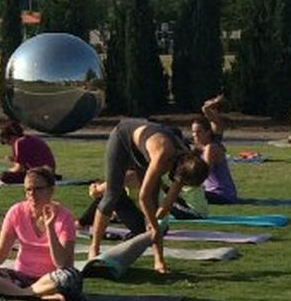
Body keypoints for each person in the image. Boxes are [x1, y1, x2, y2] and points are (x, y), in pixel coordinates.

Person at [86, 118, 208, 275]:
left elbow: (168, 201)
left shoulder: (187, 160)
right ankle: (94, 248)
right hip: (122, 138)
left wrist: (156, 221)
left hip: (143, 151)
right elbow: (143, 197)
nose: (179, 183)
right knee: (112, 195)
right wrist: (154, 226)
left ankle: (159, 261)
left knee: (154, 206)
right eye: (181, 180)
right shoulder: (163, 154)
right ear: (179, 169)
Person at [0, 168, 84, 301]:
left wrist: (50, 227)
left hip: (50, 279)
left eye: (38, 189)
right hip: (20, 277)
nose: (32, 194)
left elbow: (63, 264)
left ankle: (23, 292)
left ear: (51, 190)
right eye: (28, 189)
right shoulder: (16, 212)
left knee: (71, 277)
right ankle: (29, 294)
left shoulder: (64, 217)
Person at [191, 95, 239, 204]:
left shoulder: (211, 146)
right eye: (193, 132)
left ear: (207, 132)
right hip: (211, 192)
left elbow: (204, 173)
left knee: (179, 195)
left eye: (198, 132)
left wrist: (210, 105)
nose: (195, 135)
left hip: (221, 195)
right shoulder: (200, 147)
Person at [0, 120, 57, 184]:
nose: (10, 145)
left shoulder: (20, 142)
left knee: (4, 176)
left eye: (8, 142)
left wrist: (9, 170)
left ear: (12, 137)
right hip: (47, 171)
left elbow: (19, 168)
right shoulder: (27, 139)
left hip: (41, 173)